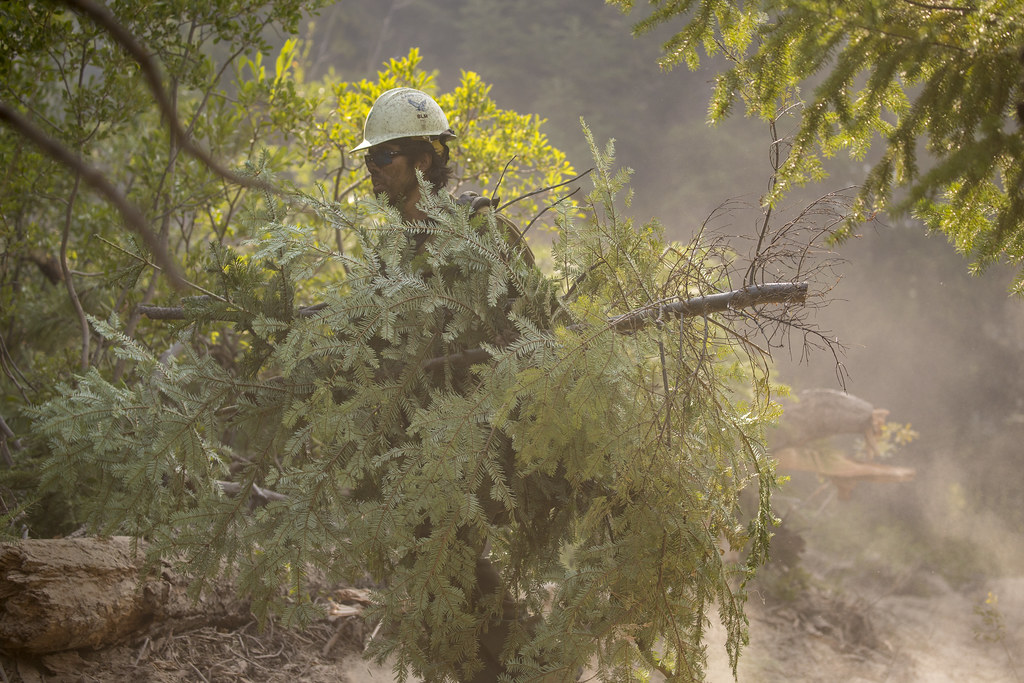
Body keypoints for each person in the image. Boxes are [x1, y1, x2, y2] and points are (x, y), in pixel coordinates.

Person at [350, 88, 560, 682]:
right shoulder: (395, 250)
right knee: (433, 559)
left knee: (450, 557)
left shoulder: (478, 227)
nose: (372, 173)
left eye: (383, 158)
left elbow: (538, 317)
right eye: (368, 160)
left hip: (485, 426)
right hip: (427, 432)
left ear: (421, 159)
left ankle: (538, 665)